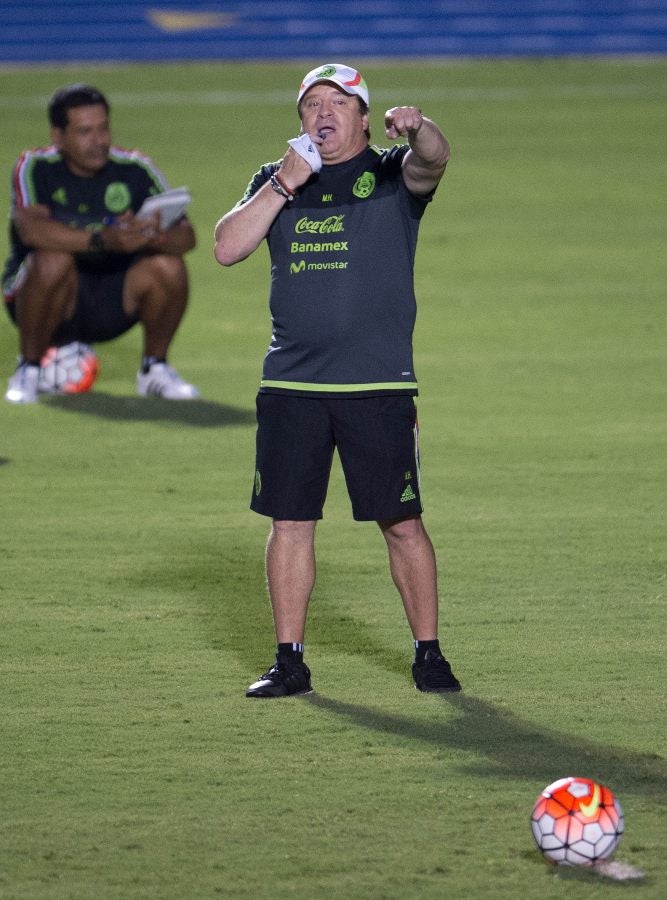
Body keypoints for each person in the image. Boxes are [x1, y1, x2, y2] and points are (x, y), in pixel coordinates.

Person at [214, 63, 461, 698]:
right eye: (310, 105)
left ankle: (429, 655)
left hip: (376, 384)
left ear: (361, 114)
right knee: (290, 521)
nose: (322, 114)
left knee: (402, 521)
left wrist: (420, 128)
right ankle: (289, 661)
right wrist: (283, 185)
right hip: (292, 386)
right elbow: (226, 246)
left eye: (336, 103)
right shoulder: (276, 179)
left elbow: (433, 160)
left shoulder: (389, 172)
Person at [3, 83, 199, 404]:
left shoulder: (135, 168)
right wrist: (102, 239)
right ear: (58, 136)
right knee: (53, 259)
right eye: (84, 131)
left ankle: (155, 369)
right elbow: (31, 230)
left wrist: (152, 234)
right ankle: (29, 368)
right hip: (46, 298)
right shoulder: (35, 167)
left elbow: (187, 237)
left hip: (114, 296)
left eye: (103, 128)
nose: (99, 141)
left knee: (168, 264)